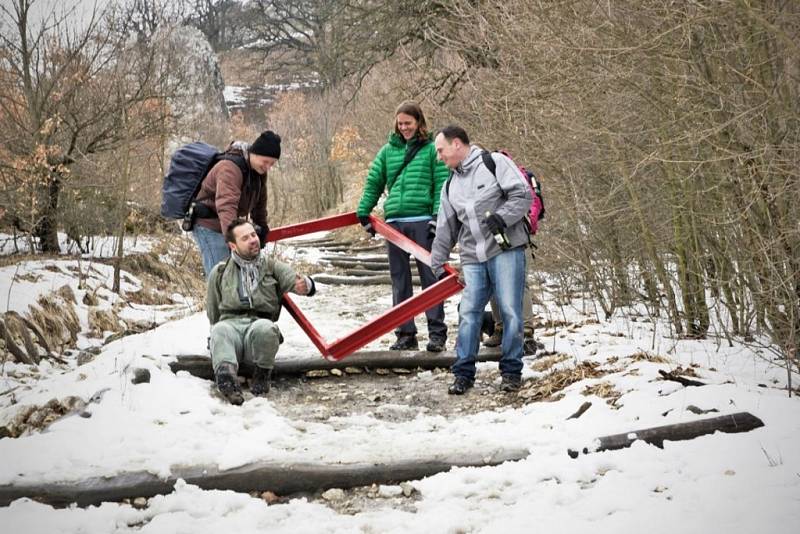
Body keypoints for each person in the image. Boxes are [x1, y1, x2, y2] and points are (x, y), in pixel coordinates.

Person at [430, 125, 532, 394]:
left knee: (510, 311)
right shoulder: (449, 184)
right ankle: (463, 373)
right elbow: (445, 227)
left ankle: (511, 371)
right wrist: (437, 262)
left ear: (456, 144)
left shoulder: (495, 163)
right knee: (468, 313)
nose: (439, 157)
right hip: (472, 256)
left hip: (505, 250)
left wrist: (503, 217)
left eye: (441, 151)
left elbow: (523, 194)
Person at [356, 101, 449, 352]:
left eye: (408, 123)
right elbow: (374, 181)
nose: (404, 127)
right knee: (399, 279)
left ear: (419, 122)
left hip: (422, 221)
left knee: (431, 277)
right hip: (394, 223)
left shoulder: (432, 150)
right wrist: (364, 212)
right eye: (401, 123)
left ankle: (437, 333)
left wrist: (437, 216)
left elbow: (442, 182)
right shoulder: (388, 151)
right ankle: (405, 333)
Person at [206, 219, 317, 405]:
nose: (253, 240)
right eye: (245, 238)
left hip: (258, 332)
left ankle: (261, 377)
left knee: (265, 328)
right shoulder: (219, 272)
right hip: (230, 328)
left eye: (253, 235)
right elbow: (213, 312)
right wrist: (218, 340)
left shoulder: (272, 267)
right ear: (233, 245)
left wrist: (305, 285)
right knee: (219, 330)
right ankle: (228, 382)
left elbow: (295, 280)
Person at [192, 130, 282, 277]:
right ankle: (219, 300)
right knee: (222, 277)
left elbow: (260, 204)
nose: (267, 167)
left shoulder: (258, 173)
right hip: (208, 225)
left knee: (238, 278)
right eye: (265, 161)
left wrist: (262, 227)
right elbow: (226, 206)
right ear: (255, 153)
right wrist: (236, 238)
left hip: (227, 225)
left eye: (271, 164)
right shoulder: (230, 168)